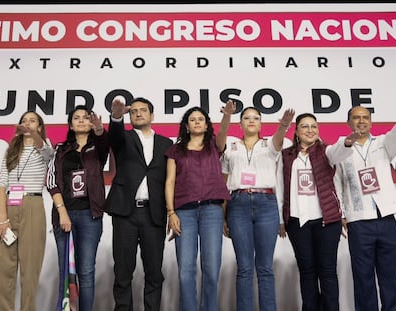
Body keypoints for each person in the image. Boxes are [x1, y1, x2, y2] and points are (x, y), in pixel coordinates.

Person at [282, 113, 359, 311]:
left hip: (327, 222)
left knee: (327, 272)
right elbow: (279, 185)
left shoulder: (326, 151)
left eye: (314, 126)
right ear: (297, 131)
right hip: (297, 222)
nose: (310, 130)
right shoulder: (287, 155)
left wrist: (347, 142)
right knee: (307, 272)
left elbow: (338, 152)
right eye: (305, 126)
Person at [220, 106, 294, 310]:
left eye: (256, 118)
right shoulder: (231, 146)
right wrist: (223, 216)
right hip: (238, 205)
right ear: (240, 123)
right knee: (244, 268)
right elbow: (224, 184)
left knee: (265, 267)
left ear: (261, 123)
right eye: (246, 118)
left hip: (266, 205)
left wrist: (284, 125)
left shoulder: (269, 144)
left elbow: (279, 141)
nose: (251, 121)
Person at [334, 106, 396, 311]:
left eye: (365, 117)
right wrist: (342, 214)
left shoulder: (383, 143)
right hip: (358, 221)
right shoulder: (342, 147)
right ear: (348, 123)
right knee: (363, 278)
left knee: (389, 277)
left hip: (386, 219)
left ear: (371, 122)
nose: (361, 121)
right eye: (356, 118)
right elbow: (337, 183)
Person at [105, 97, 173, 311]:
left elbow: (171, 179)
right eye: (133, 111)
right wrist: (116, 117)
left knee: (154, 272)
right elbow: (114, 135)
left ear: (152, 115)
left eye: (143, 110)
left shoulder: (166, 144)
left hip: (154, 213)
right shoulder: (122, 138)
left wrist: (172, 212)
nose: (138, 113)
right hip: (125, 212)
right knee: (123, 271)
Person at [165, 102, 234, 311]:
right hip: (184, 212)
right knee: (186, 271)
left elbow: (223, 131)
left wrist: (227, 115)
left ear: (206, 125)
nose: (196, 122)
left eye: (200, 119)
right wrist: (171, 212)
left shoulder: (215, 145)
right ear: (186, 126)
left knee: (211, 270)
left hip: (212, 211)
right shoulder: (175, 151)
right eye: (192, 119)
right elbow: (169, 182)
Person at [46, 105, 109, 311]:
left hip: (90, 216)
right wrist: (62, 212)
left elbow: (103, 142)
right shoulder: (60, 149)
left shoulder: (97, 148)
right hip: (64, 215)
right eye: (76, 118)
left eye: (85, 117)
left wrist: (99, 130)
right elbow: (51, 180)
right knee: (66, 271)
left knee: (86, 271)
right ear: (71, 125)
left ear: (91, 123)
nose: (81, 120)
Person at [0, 111, 54, 311]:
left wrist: (33, 134)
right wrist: (2, 218)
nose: (27, 124)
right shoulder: (11, 150)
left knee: (30, 270)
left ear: (39, 127)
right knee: (5, 269)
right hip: (8, 208)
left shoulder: (43, 147)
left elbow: (46, 151)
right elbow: (2, 184)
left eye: (32, 121)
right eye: (24, 121)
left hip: (32, 206)